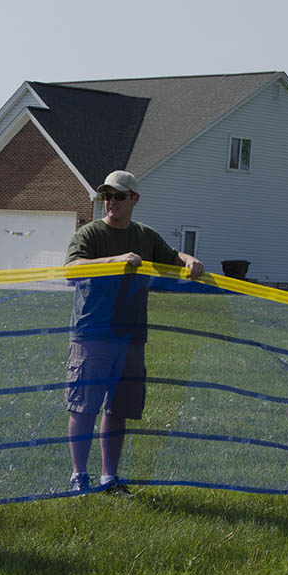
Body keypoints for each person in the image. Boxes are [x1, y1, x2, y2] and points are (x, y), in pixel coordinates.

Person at [64, 170, 204, 495]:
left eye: (119, 196)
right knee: (83, 407)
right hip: (92, 333)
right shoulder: (89, 234)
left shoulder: (146, 236)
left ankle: (109, 478)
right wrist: (115, 260)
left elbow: (172, 257)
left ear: (134, 199)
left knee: (119, 409)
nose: (111, 202)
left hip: (132, 335)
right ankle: (78, 477)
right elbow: (70, 270)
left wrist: (190, 259)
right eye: (107, 196)